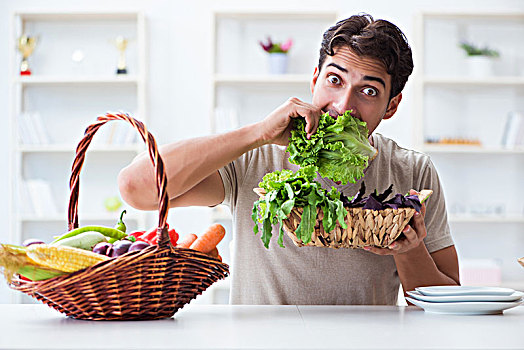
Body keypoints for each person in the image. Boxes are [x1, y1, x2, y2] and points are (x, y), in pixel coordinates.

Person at [118, 13, 460, 305]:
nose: (343, 105)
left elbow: (447, 301)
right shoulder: (255, 155)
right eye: (334, 80)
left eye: (368, 91)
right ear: (314, 79)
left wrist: (409, 249)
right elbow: (137, 188)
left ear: (392, 105)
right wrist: (256, 133)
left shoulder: (412, 171)